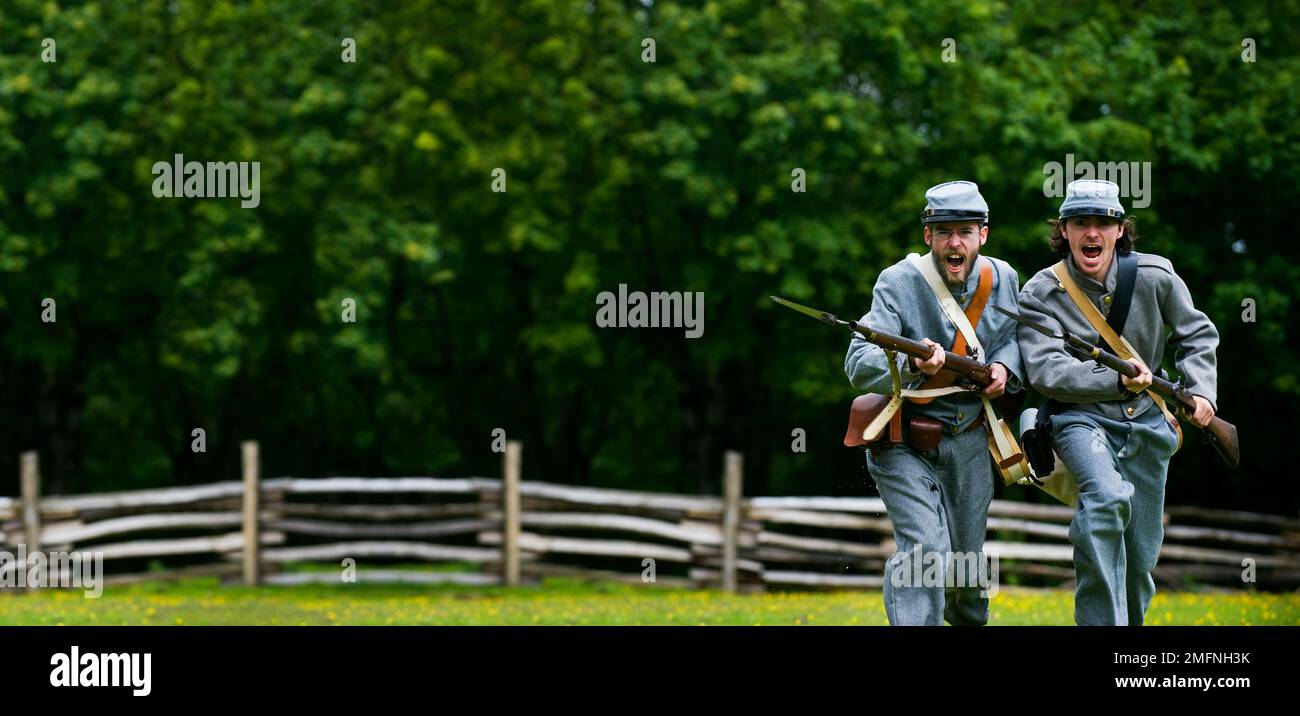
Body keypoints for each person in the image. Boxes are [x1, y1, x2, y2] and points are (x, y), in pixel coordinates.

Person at [1017, 179, 1219, 625]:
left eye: (1103, 223)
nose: (1093, 233)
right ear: (1064, 231)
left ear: (1119, 230)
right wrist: (1117, 380)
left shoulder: (1155, 275)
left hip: (1149, 422)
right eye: (1081, 223)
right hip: (1077, 420)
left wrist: (1201, 390)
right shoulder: (1040, 292)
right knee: (1105, 499)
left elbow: (1197, 334)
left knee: (1140, 556)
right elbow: (1045, 370)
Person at [845, 180, 1023, 625]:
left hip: (969, 440)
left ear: (984, 234)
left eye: (965, 231)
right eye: (944, 232)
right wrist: (910, 362)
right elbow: (858, 362)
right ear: (928, 237)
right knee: (924, 549)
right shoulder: (898, 281)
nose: (954, 242)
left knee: (965, 568)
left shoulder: (1003, 279)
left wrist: (1004, 369)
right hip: (904, 439)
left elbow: (1014, 340)